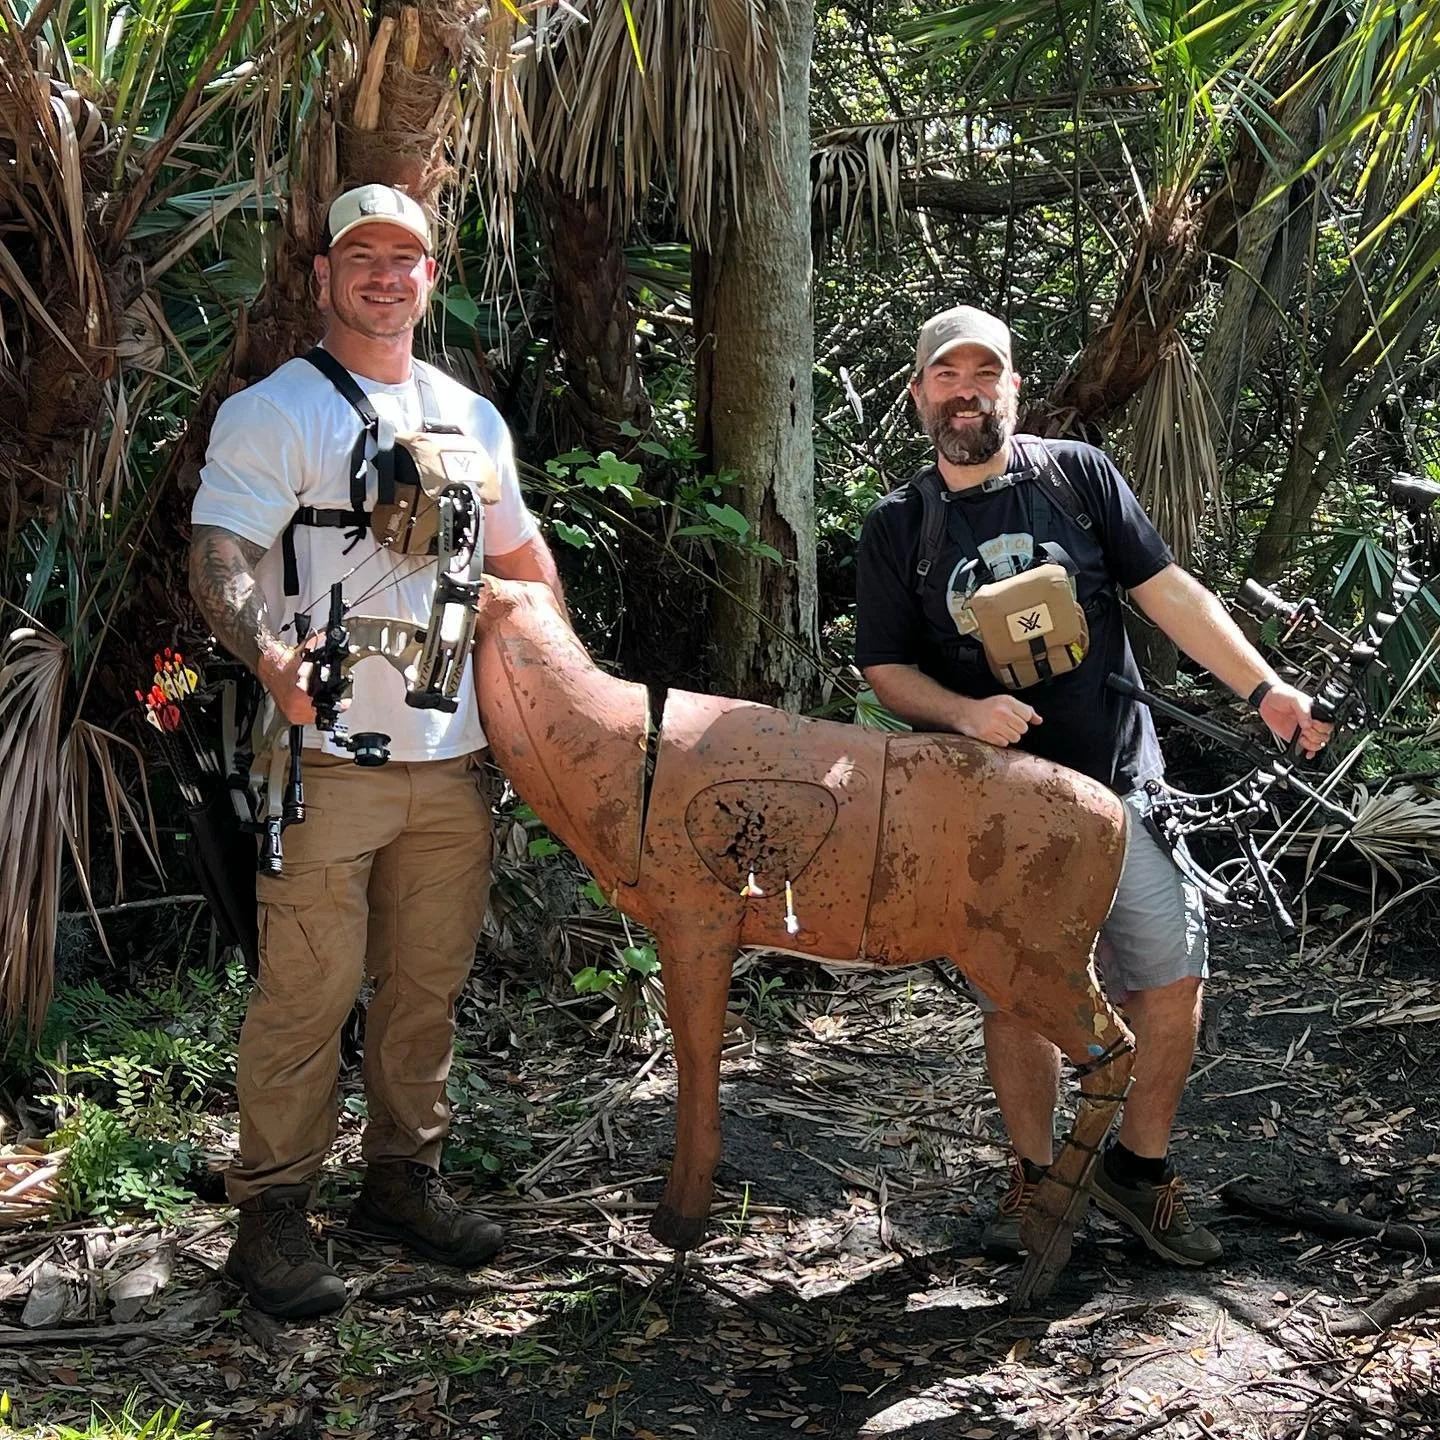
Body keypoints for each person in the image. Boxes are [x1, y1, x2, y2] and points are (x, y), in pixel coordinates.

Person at [854, 304, 1332, 1266]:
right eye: (947, 376)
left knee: (1172, 978)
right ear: (918, 394)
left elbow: (1168, 591)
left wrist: (1265, 689)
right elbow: (885, 668)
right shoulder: (899, 526)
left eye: (985, 374)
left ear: (1014, 387)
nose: (966, 393)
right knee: (1016, 998)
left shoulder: (1076, 478)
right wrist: (964, 713)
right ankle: (1038, 1183)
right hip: (1001, 812)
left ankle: (1136, 1172)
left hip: (1122, 788)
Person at [189, 183, 564, 1319]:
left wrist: (566, 697)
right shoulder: (275, 411)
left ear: (430, 278)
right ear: (324, 276)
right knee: (306, 992)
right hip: (326, 759)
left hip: (452, 760)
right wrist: (271, 657)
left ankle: (402, 1177)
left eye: (405, 258)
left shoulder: (472, 417)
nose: (385, 276)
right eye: (362, 257)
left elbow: (527, 567)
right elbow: (219, 555)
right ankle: (271, 1212)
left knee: (425, 986)